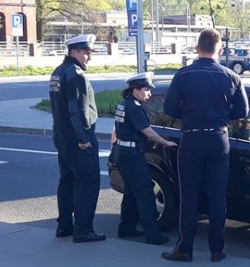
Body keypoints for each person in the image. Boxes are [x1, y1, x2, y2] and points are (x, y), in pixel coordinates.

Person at [161, 28, 249, 263]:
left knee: (189, 196)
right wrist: (220, 115)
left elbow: (169, 108)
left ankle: (185, 249)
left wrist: (190, 114)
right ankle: (217, 250)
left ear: (197, 48)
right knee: (217, 196)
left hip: (191, 137)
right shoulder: (232, 76)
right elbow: (243, 111)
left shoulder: (184, 75)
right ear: (219, 49)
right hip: (219, 138)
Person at [49, 34, 104, 243]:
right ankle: (83, 230)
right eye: (86, 53)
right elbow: (77, 109)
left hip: (62, 136)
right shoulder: (75, 74)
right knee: (87, 181)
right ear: (74, 52)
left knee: (67, 180)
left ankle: (64, 226)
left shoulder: (59, 72)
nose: (89, 58)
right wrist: (83, 138)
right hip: (78, 137)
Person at [112, 72, 177, 245]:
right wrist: (165, 142)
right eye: (146, 90)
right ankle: (153, 234)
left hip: (122, 151)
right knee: (145, 193)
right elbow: (147, 131)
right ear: (135, 90)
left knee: (131, 192)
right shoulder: (134, 108)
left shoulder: (123, 105)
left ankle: (126, 228)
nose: (149, 94)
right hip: (132, 155)